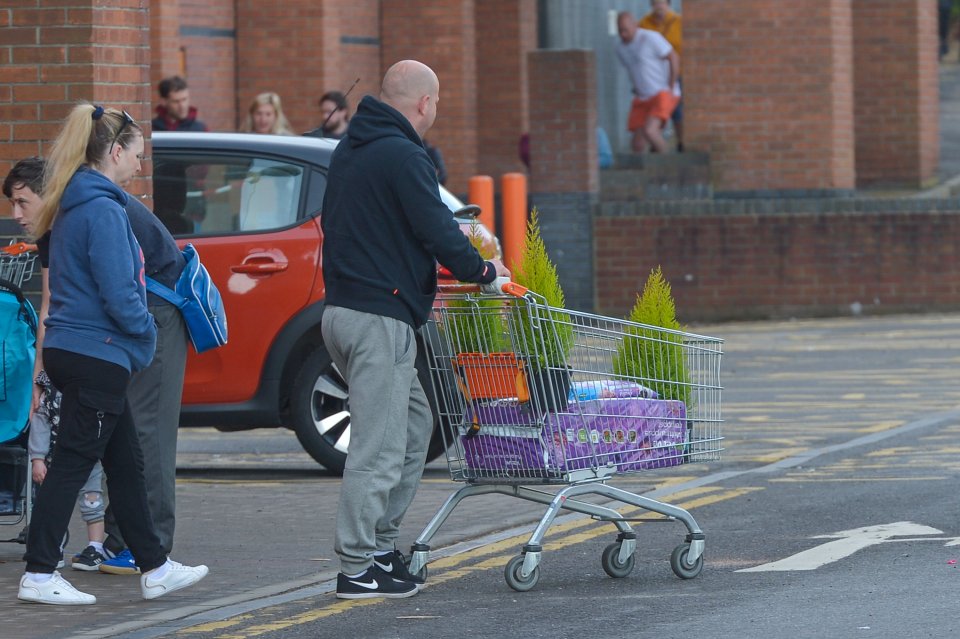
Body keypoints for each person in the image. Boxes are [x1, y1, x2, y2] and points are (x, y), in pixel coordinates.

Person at [320, 59, 509, 600]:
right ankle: (356, 567)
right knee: (378, 447)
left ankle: (380, 546)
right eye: (438, 101)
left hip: (346, 312)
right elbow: (437, 229)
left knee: (416, 423)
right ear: (424, 103)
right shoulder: (404, 156)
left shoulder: (351, 150)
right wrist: (483, 271)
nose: (437, 110)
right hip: (378, 317)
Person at [16, 103, 207, 606]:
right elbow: (121, 290)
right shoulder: (102, 208)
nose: (140, 166)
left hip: (76, 348)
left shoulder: (74, 201)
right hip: (98, 351)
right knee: (73, 462)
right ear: (115, 151)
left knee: (126, 461)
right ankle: (38, 573)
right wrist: (144, 332)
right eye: (137, 155)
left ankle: (156, 566)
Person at [615, 11, 680, 154]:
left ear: (635, 25)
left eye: (625, 30)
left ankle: (668, 166)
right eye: (620, 31)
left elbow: (673, 57)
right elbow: (635, 70)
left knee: (651, 131)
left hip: (662, 92)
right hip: (643, 97)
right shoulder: (620, 49)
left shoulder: (650, 38)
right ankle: (647, 169)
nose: (623, 34)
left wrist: (670, 85)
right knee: (637, 144)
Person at [639, 0, 684, 151]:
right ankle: (656, 144)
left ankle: (681, 143)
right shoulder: (644, 24)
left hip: (677, 73)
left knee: (678, 111)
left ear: (668, 4)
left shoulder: (679, 22)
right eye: (655, 3)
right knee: (655, 111)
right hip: (654, 76)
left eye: (661, 3)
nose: (658, 7)